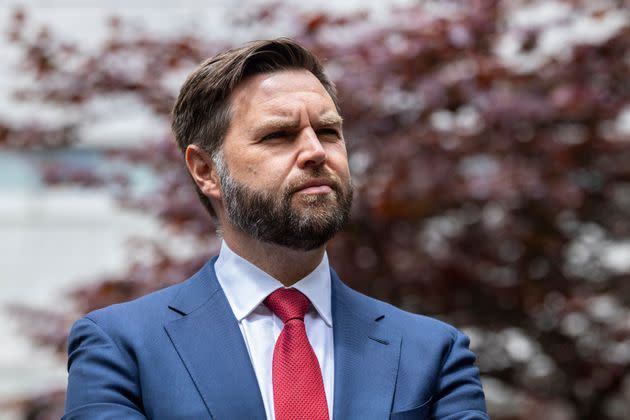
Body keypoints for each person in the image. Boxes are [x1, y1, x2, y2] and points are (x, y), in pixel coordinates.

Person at [63, 38, 488, 420]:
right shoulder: (120, 348)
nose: (316, 152)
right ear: (206, 170)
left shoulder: (433, 353)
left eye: (328, 131)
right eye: (279, 135)